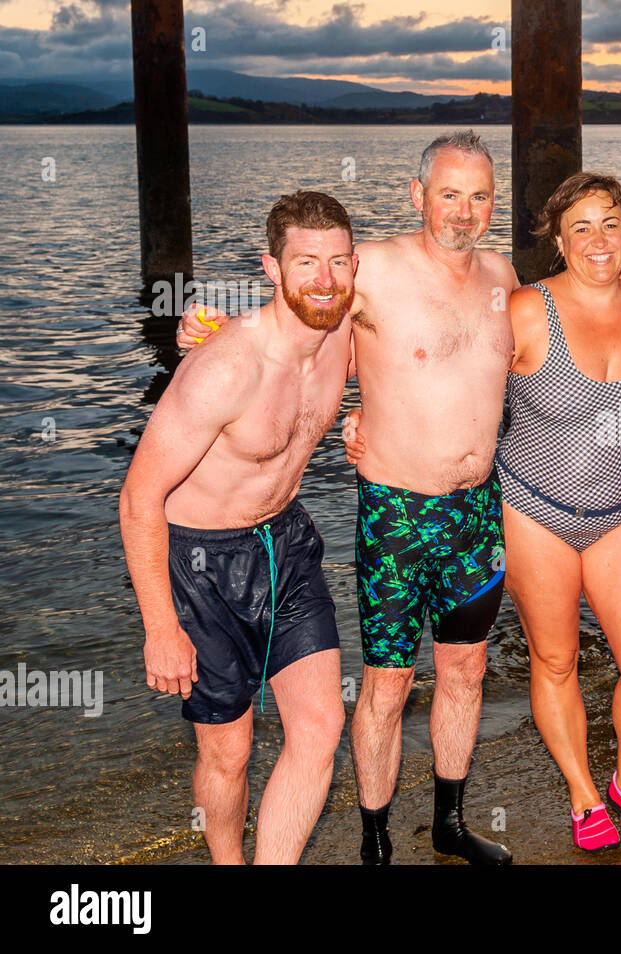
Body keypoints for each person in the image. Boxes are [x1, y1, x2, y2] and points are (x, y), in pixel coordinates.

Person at [180, 132, 517, 865]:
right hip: (399, 513)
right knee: (388, 684)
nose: (464, 212)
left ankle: (452, 824)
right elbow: (298, 313)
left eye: (480, 195)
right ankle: (375, 840)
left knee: (465, 670)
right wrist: (207, 326)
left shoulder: (502, 272)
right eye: (449, 194)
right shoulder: (378, 272)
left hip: (478, 515)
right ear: (417, 195)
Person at [121, 190, 355, 863]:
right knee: (229, 753)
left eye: (338, 263)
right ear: (272, 268)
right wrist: (160, 628)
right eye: (306, 263)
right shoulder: (224, 367)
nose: (324, 280)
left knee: (319, 726)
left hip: (286, 543)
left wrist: (368, 424)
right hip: (201, 564)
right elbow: (139, 499)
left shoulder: (343, 334)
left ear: (355, 265)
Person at [487, 173, 621, 849]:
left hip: (620, 510)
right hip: (533, 508)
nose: (599, 240)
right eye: (582, 228)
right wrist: (370, 421)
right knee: (557, 659)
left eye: (611, 224)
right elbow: (457, 377)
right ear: (559, 242)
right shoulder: (525, 310)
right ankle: (582, 793)